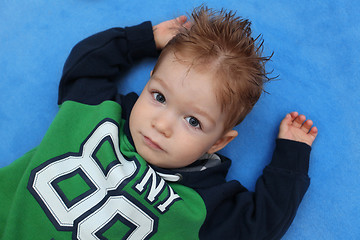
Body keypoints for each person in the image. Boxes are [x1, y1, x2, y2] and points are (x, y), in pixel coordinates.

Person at [0, 6, 318, 240]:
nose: (162, 125)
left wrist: (291, 156)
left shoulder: (203, 203)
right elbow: (85, 66)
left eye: (193, 121)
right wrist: (144, 39)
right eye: (159, 97)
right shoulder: (99, 110)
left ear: (219, 142)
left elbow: (259, 225)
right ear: (149, 82)